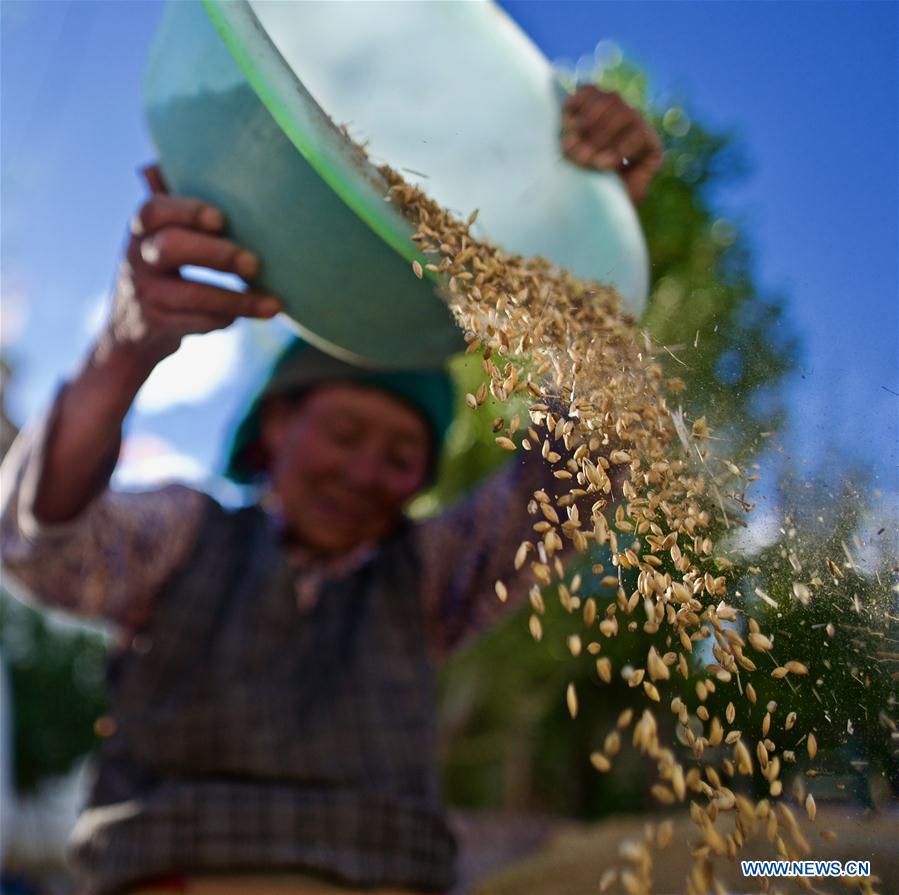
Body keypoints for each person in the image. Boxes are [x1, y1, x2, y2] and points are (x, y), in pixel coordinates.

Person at [0, 86, 661, 895]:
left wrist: (599, 234)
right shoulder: (182, 538)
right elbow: (38, 549)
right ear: (274, 428)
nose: (361, 473)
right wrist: (125, 347)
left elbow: (578, 476)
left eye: (398, 455)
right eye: (344, 435)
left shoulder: (429, 572)